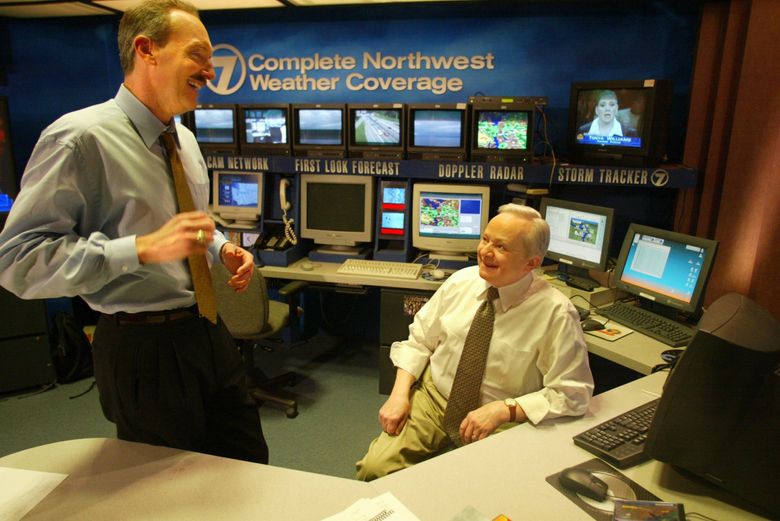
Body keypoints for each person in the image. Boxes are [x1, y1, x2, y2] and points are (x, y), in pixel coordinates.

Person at [0, 0, 268, 464]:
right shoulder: (79, 139)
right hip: (143, 347)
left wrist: (221, 247)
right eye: (198, 56)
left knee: (247, 467)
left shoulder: (180, 136)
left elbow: (190, 221)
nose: (209, 72)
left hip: (206, 329)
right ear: (147, 50)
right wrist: (140, 249)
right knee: (169, 493)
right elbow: (17, 261)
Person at [356, 204, 594, 481]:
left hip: (500, 416)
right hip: (436, 398)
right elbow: (419, 342)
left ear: (532, 263)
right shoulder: (461, 281)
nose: (485, 251)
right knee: (374, 470)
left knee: (480, 492)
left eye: (501, 247)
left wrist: (504, 410)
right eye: (485, 239)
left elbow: (573, 393)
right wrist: (399, 396)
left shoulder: (556, 313)